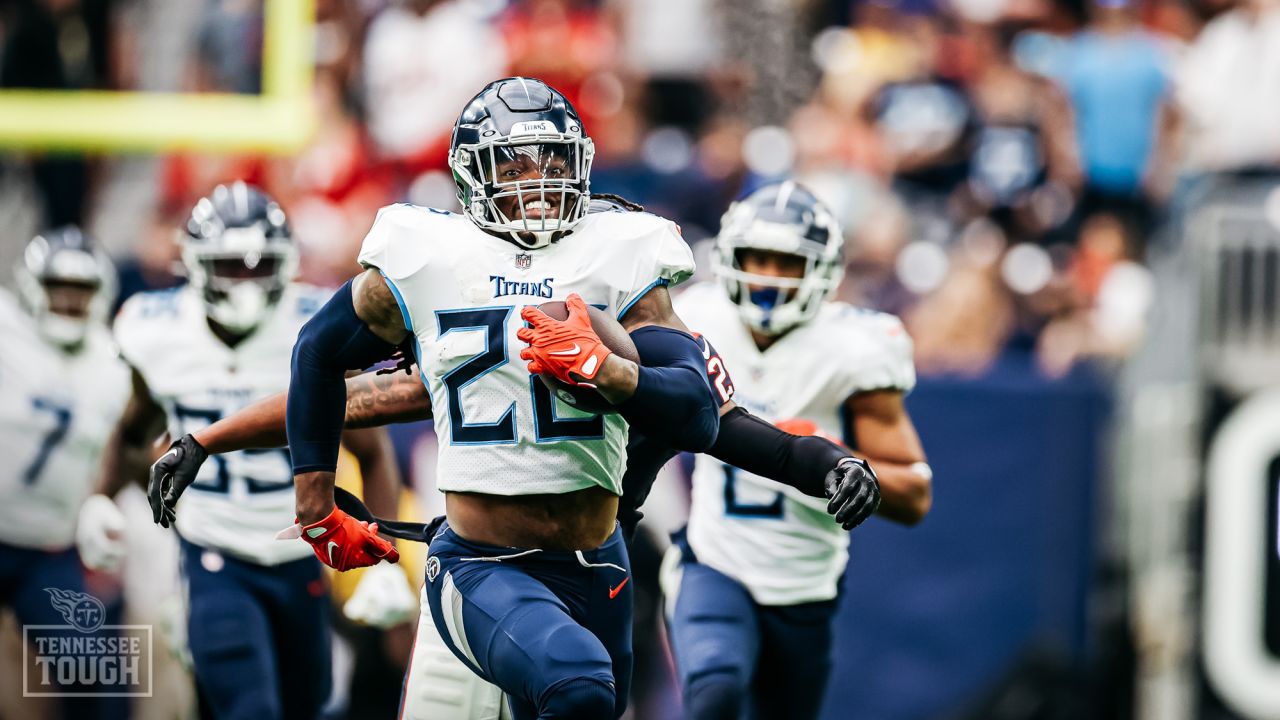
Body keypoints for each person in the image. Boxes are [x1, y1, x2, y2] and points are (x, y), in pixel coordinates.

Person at [150, 79, 881, 719]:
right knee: (580, 686)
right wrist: (307, 498)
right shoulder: (432, 262)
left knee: (591, 694)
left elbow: (703, 414)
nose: (538, 180)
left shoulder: (618, 259)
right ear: (474, 175)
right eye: (516, 162)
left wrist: (821, 464)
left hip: (599, 562)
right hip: (480, 564)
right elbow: (334, 371)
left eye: (555, 162)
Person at [99, 182, 408, 720]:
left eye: (259, 266)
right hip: (214, 552)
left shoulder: (312, 328)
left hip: (302, 558)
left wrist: (382, 561)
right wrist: (102, 499)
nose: (244, 282)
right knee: (251, 708)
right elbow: (132, 432)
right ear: (195, 264)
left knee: (303, 706)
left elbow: (373, 451)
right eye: (230, 267)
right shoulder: (158, 332)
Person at [662, 181, 933, 720]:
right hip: (716, 561)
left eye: (785, 262)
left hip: (804, 585)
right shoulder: (697, 318)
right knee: (713, 692)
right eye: (755, 258)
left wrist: (839, 461)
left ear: (824, 272)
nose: (767, 277)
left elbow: (915, 494)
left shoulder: (853, 351)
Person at [0, 227, 129, 718]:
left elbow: (140, 449)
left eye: (83, 290)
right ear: (33, 286)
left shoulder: (114, 360)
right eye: (59, 287)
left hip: (49, 552)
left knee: (95, 671)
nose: (71, 301)